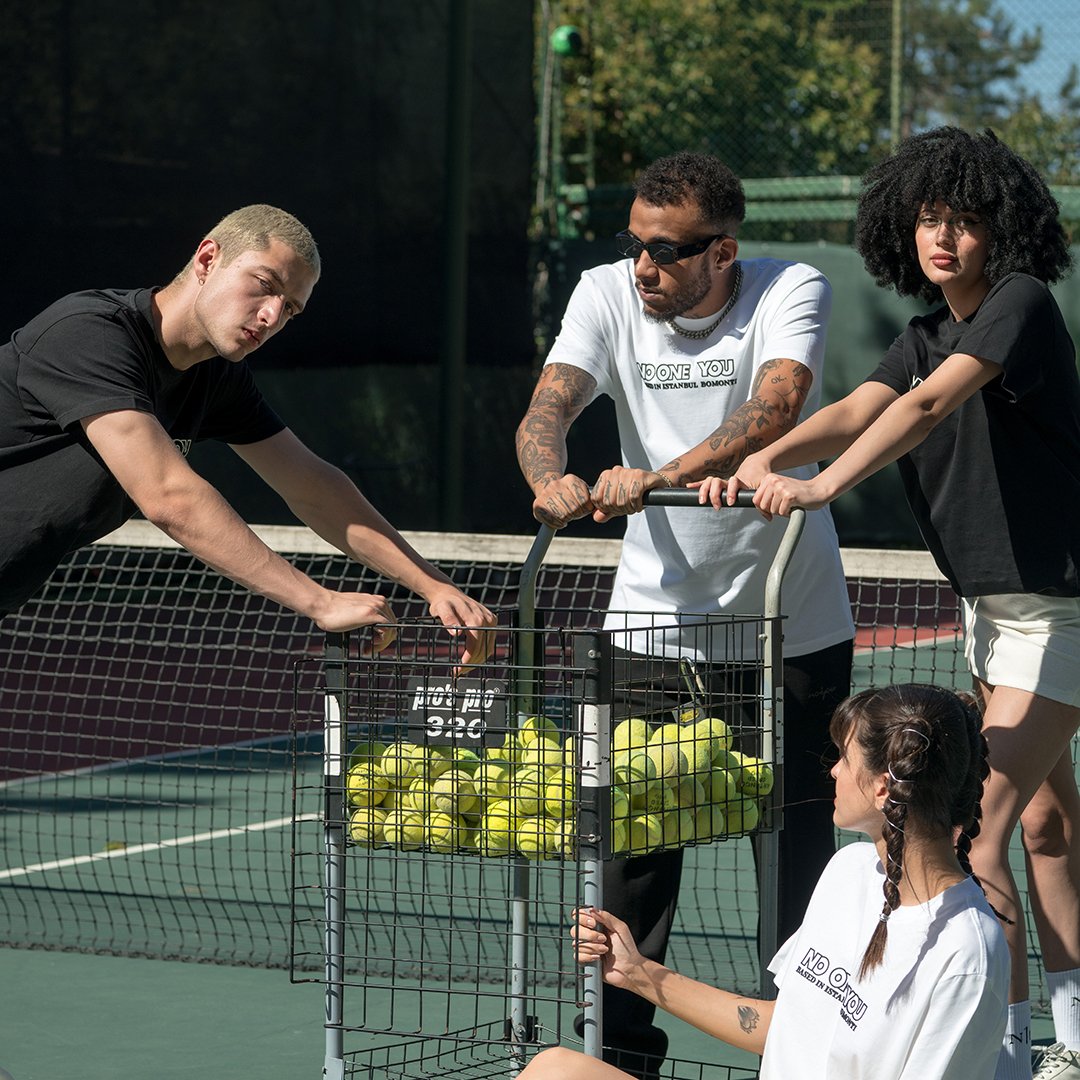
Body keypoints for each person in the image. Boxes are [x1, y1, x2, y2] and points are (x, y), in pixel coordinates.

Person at [700, 127, 1080, 1080]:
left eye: (961, 220)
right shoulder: (922, 334)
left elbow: (919, 411)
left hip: (1061, 611)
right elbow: (857, 407)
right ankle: (1079, 1033)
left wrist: (821, 485)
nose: (941, 237)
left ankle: (1008, 1055)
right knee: (1046, 825)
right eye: (926, 219)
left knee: (974, 828)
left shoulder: (1018, 306)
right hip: (992, 613)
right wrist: (768, 454)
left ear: (1002, 230)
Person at [515, 151, 855, 1077]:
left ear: (722, 251)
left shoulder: (792, 287)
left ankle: (807, 1048)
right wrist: (552, 479)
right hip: (652, 627)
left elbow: (774, 407)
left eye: (665, 251)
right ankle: (618, 1055)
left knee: (794, 852)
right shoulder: (604, 292)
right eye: (635, 245)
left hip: (793, 624)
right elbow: (548, 406)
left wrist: (655, 480)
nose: (644, 267)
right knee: (633, 846)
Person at [0, 205, 495, 664]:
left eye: (291, 309)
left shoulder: (216, 379)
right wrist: (318, 601)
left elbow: (313, 487)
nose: (272, 316)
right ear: (208, 258)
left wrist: (434, 587)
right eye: (263, 284)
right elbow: (170, 496)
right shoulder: (89, 334)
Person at [521, 684, 1010, 1080]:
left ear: (883, 787)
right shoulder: (850, 870)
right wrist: (635, 971)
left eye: (843, 756)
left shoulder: (967, 952)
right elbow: (786, 1027)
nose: (833, 770)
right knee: (555, 1070)